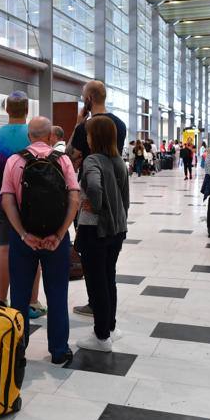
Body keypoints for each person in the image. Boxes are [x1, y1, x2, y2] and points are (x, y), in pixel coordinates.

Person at [0, 116, 81, 365]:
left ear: (29, 137)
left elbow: (7, 201)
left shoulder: (15, 160)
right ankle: (58, 350)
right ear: (50, 137)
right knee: (57, 294)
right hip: (56, 239)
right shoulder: (63, 160)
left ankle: (18, 350)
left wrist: (24, 234)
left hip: (24, 238)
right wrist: (58, 235)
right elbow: (75, 200)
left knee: (20, 296)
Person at [74, 116, 129, 352]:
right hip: (116, 229)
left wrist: (96, 205)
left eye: (88, 134)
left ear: (94, 137)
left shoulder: (92, 160)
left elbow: (94, 187)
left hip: (94, 230)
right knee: (108, 279)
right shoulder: (119, 161)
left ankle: (101, 336)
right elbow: (126, 199)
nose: (86, 138)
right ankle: (111, 328)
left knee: (96, 283)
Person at [0, 91, 45, 317]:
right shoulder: (33, 134)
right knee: (33, 249)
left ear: (6, 109)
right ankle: (32, 302)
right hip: (30, 201)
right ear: (27, 110)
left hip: (2, 197)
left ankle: (1, 300)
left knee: (3, 249)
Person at [69, 80, 128, 175]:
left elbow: (70, 156)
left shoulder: (85, 127)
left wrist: (77, 124)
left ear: (89, 98)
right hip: (114, 180)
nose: (83, 100)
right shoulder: (121, 124)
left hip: (90, 177)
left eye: (83, 97)